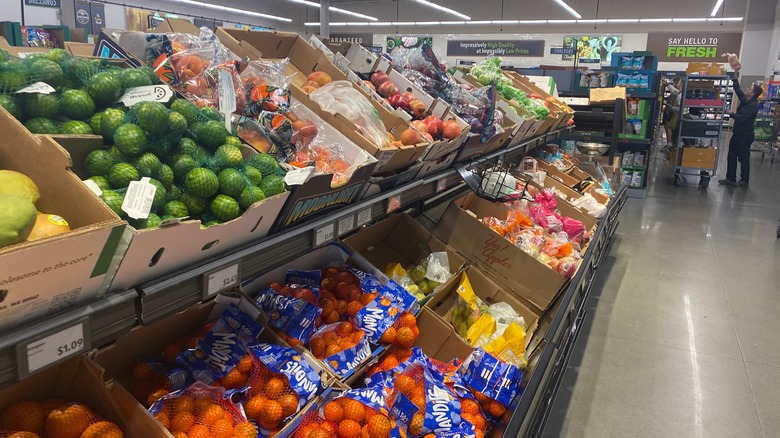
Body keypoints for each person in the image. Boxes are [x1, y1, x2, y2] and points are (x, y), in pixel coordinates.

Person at [718, 71, 762, 186]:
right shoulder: (746, 101)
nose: (747, 89)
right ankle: (730, 178)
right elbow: (738, 91)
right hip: (737, 133)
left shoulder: (753, 106)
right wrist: (735, 78)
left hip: (745, 135)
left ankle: (744, 180)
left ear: (752, 93)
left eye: (749, 88)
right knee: (731, 155)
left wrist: (731, 113)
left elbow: (742, 118)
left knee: (743, 157)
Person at [662, 76, 682, 150]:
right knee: (671, 127)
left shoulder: (681, 95)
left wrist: (671, 107)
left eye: (678, 83)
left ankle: (671, 145)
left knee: (670, 127)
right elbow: (674, 91)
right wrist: (667, 84)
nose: (677, 85)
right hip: (674, 114)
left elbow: (680, 108)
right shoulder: (680, 92)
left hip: (675, 115)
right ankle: (671, 144)